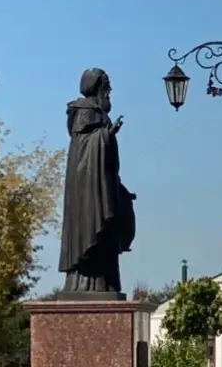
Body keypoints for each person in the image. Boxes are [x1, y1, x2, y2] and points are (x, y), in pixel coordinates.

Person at [58, 68, 136, 295]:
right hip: (87, 190)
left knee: (107, 236)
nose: (109, 91)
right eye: (106, 86)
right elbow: (86, 149)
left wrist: (118, 189)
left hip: (101, 185)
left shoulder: (97, 113)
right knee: (92, 230)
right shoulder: (85, 112)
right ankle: (85, 284)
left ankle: (103, 283)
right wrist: (107, 134)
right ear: (97, 88)